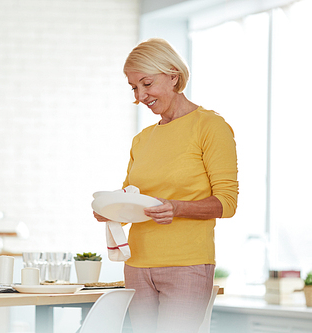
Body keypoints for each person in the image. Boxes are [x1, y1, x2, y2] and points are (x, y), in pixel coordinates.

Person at [93, 38, 238, 333]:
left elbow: (227, 202)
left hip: (187, 265)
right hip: (137, 265)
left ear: (173, 76)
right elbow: (131, 196)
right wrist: (110, 209)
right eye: (134, 88)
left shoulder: (209, 126)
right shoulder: (142, 139)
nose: (140, 96)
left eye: (146, 84)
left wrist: (177, 208)